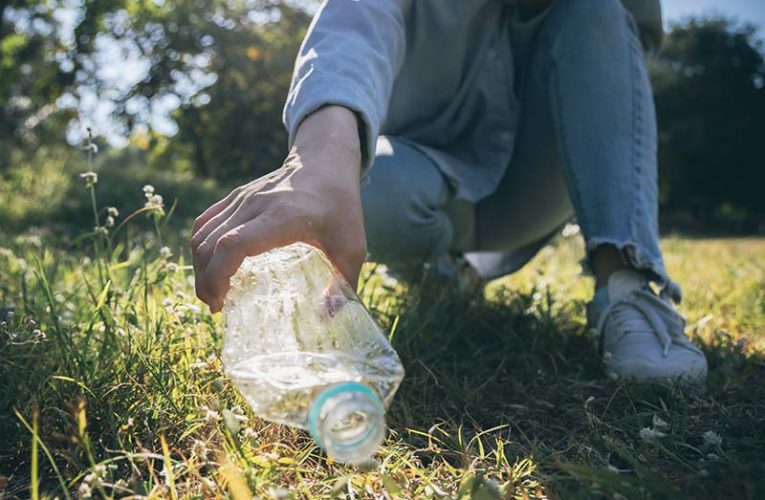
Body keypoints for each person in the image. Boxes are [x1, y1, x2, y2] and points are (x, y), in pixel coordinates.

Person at [190, 0, 708, 383]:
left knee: (596, 8)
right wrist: (318, 162)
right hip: (429, 175)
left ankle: (628, 285)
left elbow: (626, 50)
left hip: (542, 181)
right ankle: (447, 270)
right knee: (363, 194)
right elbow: (353, 26)